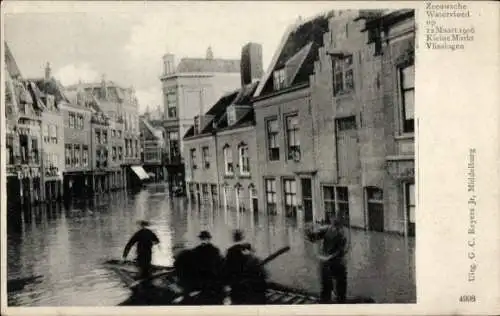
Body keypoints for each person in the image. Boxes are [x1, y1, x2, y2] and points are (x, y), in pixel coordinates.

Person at [306, 217, 348, 303]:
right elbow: (313, 237)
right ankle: (335, 301)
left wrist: (309, 232)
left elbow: (342, 249)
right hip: (332, 262)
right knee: (331, 287)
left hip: (332, 262)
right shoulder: (332, 230)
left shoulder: (340, 232)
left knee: (335, 287)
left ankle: (335, 301)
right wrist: (309, 232)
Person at [190, 230, 225, 304]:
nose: (203, 240)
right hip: (212, 280)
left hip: (200, 281)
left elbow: (192, 266)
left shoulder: (195, 251)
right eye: (203, 239)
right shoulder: (215, 250)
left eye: (203, 238)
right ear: (209, 239)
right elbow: (220, 265)